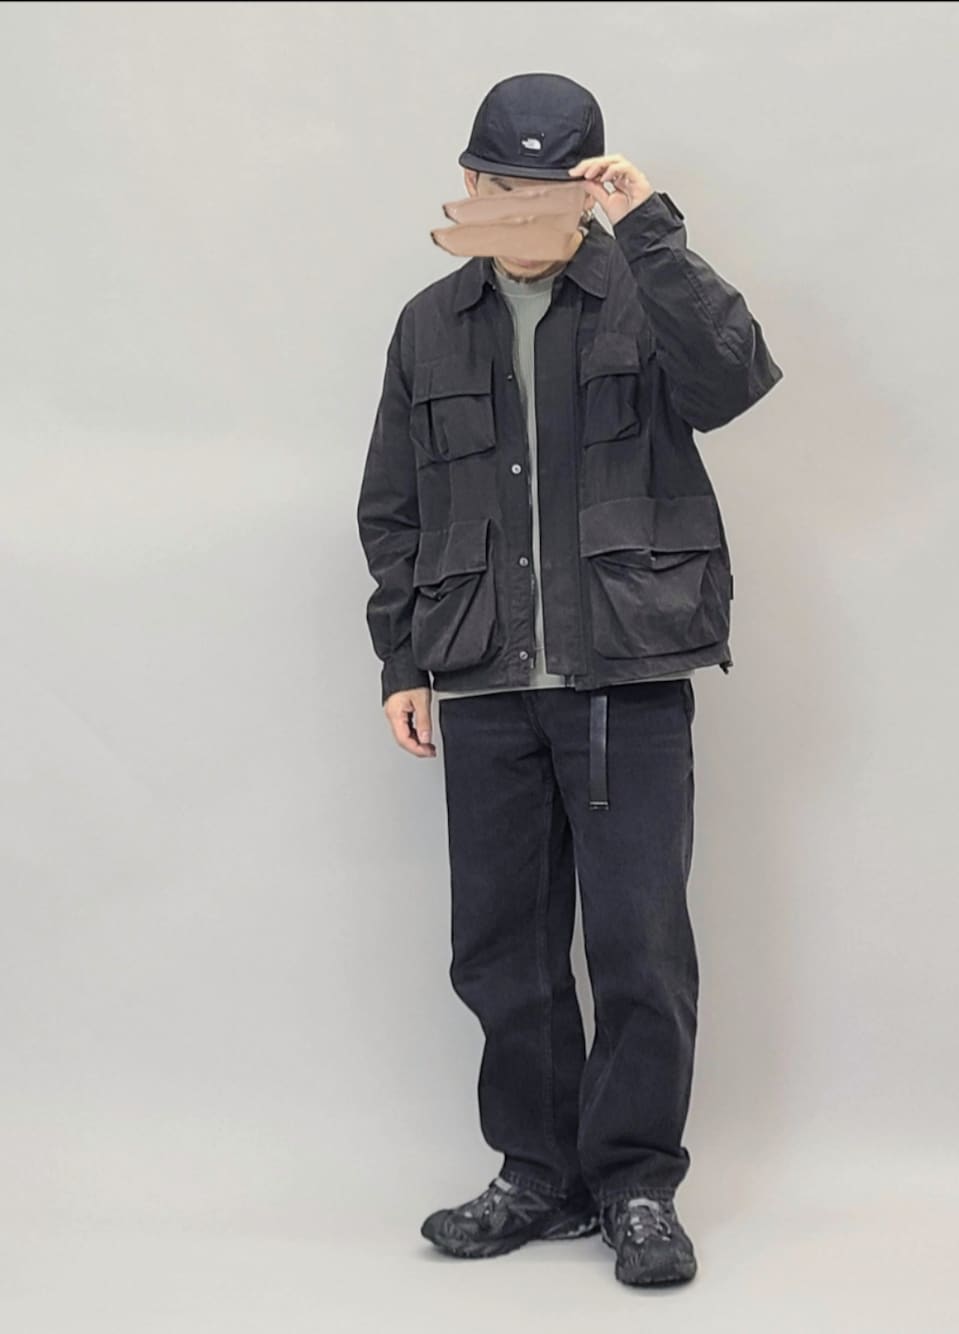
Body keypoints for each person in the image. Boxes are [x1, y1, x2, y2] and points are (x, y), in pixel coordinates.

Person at [356, 71, 783, 1287]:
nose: (520, 208)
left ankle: (636, 1183)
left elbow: (734, 380)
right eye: (501, 185)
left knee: (639, 940)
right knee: (501, 947)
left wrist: (652, 228)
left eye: (549, 188)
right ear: (471, 184)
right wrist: (402, 657)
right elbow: (394, 504)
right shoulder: (430, 324)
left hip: (625, 673)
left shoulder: (643, 292)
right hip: (484, 678)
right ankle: (535, 1175)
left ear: (587, 190)